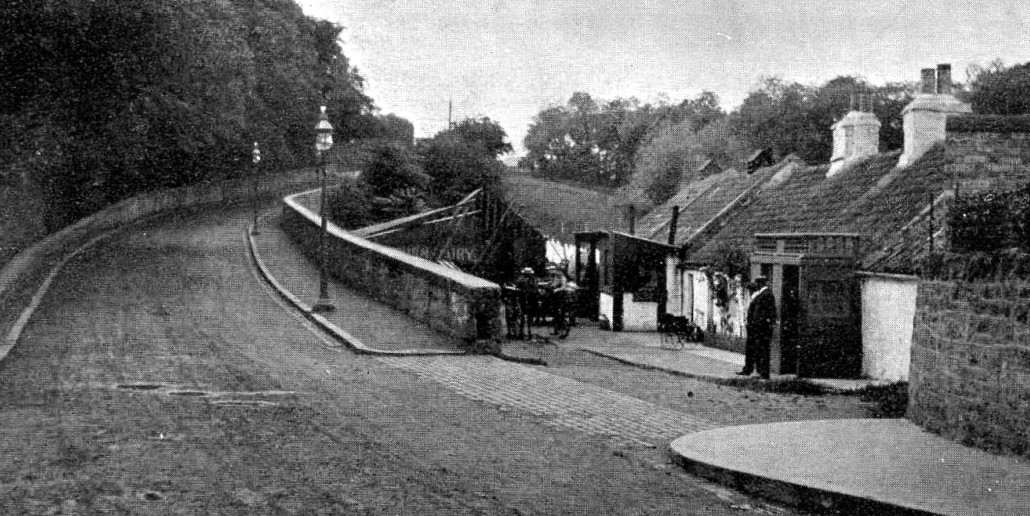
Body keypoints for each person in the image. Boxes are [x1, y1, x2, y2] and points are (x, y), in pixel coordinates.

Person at [738, 276, 777, 379]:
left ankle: (763, 373)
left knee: (762, 350)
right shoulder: (761, 294)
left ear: (760, 284)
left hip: (761, 329)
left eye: (757, 283)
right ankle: (752, 370)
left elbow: (767, 312)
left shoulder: (767, 294)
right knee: (755, 349)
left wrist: (759, 324)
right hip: (755, 328)